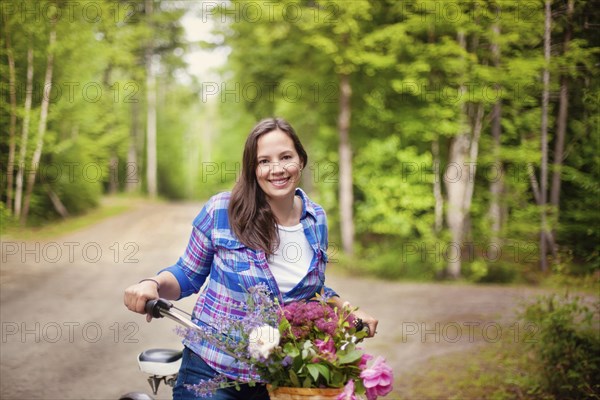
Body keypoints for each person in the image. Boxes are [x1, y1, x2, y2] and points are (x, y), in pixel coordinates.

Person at [124, 117, 378, 400]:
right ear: (252, 169)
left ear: (301, 161)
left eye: (286, 157)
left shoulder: (315, 218)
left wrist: (349, 309)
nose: (277, 169)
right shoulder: (222, 210)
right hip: (213, 372)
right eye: (264, 161)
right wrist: (152, 284)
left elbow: (313, 293)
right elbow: (187, 273)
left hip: (283, 377)